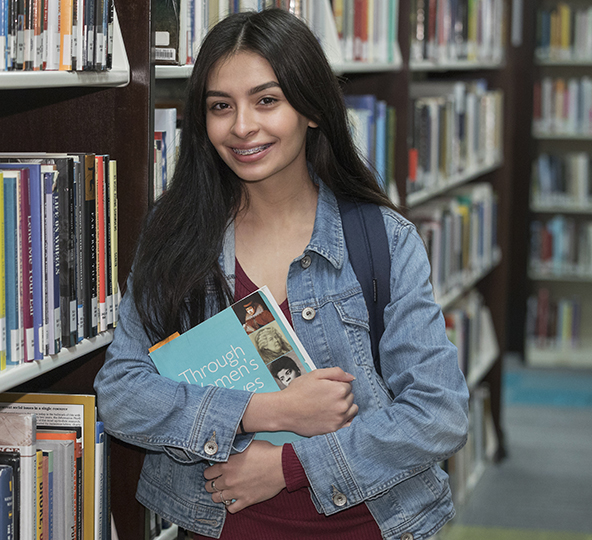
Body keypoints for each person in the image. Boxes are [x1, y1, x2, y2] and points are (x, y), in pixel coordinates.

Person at [93, 8, 469, 540]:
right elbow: (122, 392)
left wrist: (289, 468)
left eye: (267, 101)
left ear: (311, 109)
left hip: (368, 528)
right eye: (221, 106)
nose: (242, 126)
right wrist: (262, 411)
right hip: (218, 528)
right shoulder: (174, 237)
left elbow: (439, 413)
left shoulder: (384, 240)